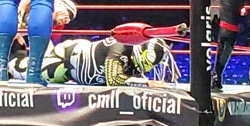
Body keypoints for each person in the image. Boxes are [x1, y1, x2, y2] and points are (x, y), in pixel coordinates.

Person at [10, 37, 174, 86]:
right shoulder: (119, 46)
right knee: (19, 68)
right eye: (149, 62)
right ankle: (10, 52)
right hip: (65, 61)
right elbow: (113, 80)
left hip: (77, 61)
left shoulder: (131, 59)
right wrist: (146, 83)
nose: (149, 68)